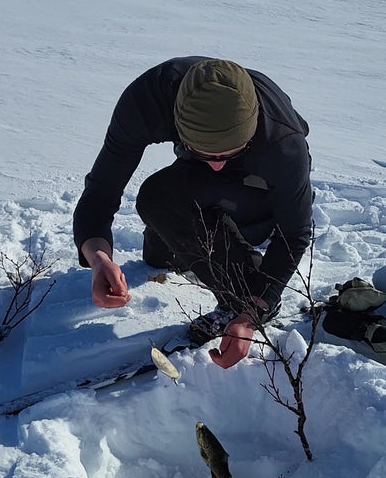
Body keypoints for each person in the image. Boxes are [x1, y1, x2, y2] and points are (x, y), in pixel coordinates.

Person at [73, 57, 313, 369]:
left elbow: (293, 234)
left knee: (241, 277)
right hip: (193, 168)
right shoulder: (146, 102)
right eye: (206, 152)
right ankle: (200, 231)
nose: (216, 163)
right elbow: (101, 191)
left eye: (226, 153)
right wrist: (98, 259)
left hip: (260, 187)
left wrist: (251, 312)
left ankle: (239, 296)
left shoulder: (282, 143)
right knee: (157, 209)